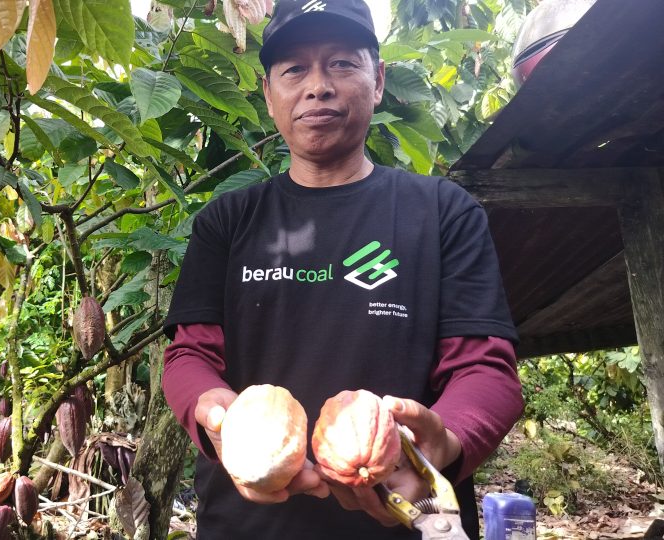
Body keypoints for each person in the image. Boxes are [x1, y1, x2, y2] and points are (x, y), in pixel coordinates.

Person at [161, 0, 524, 538]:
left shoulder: (443, 211)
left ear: (377, 81)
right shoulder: (228, 220)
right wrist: (212, 412)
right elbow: (190, 354)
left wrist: (444, 442)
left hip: (412, 514)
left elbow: (485, 370)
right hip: (247, 523)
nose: (318, 86)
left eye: (341, 64)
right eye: (294, 69)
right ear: (268, 93)